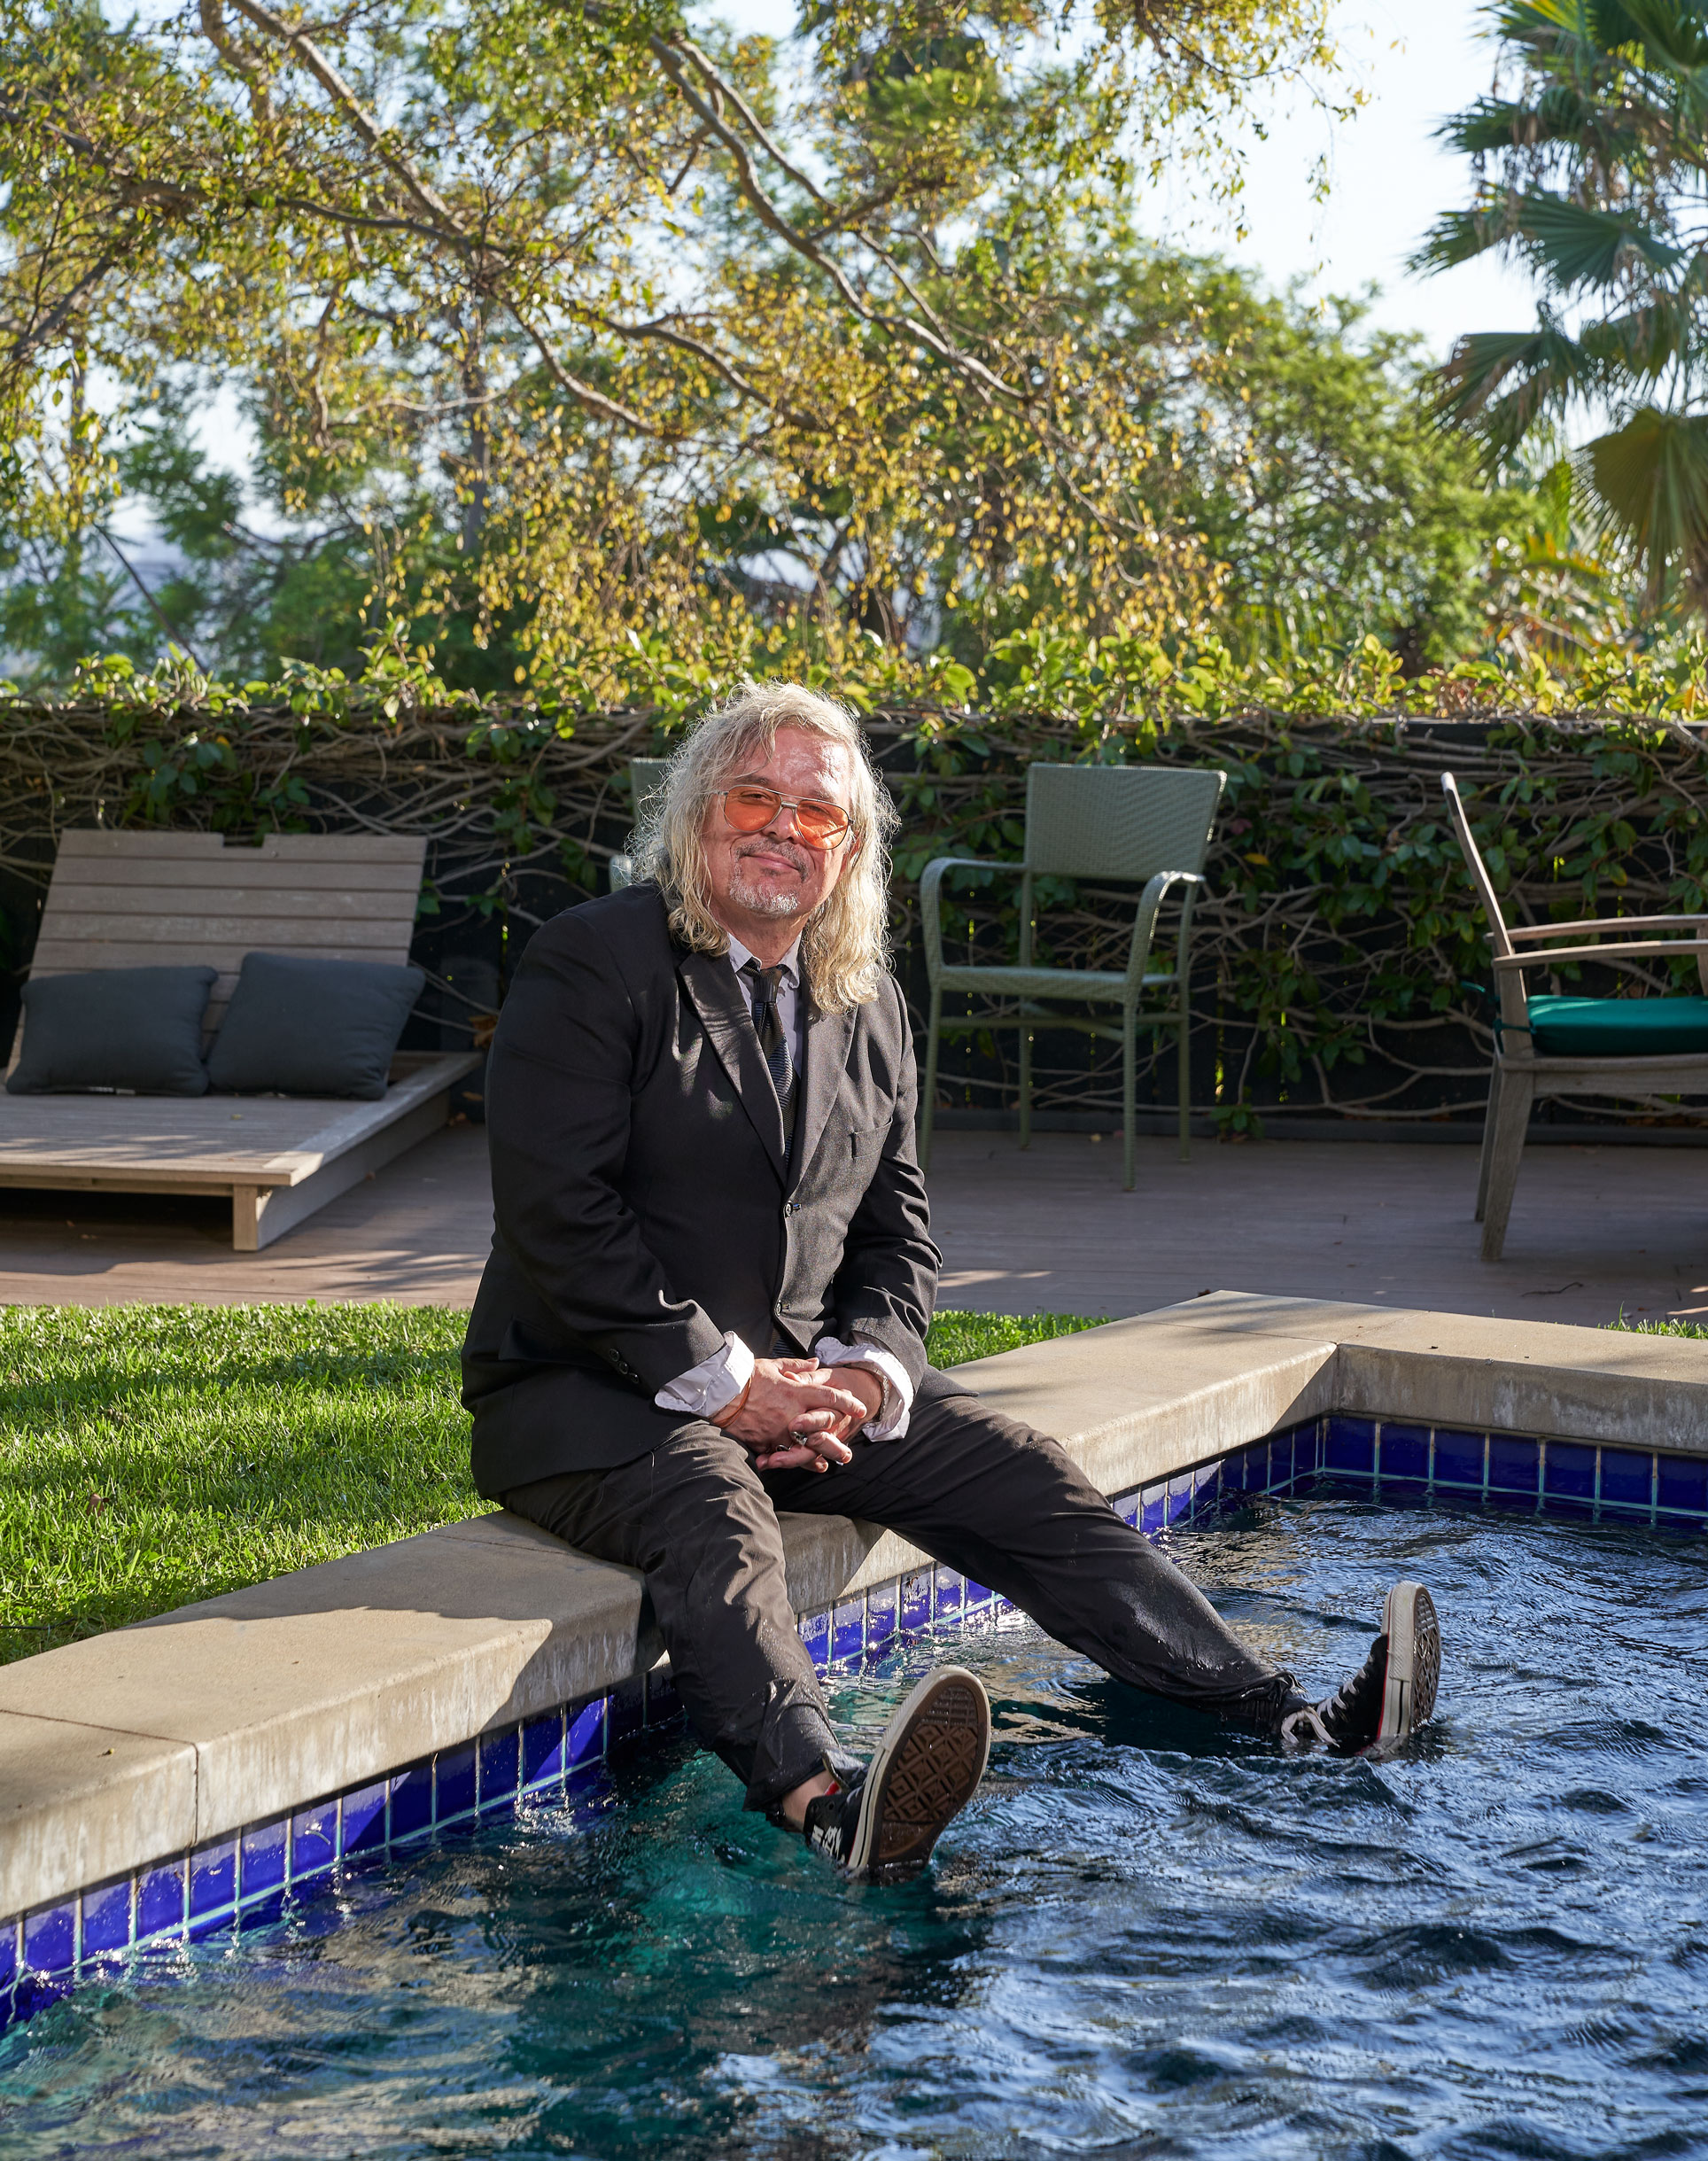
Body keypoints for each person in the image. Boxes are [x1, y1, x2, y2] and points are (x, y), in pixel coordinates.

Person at [462, 681, 1442, 1879]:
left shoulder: (865, 998)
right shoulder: (594, 962)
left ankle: (1279, 1718)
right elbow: (561, 1215)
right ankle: (824, 1805)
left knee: (1018, 1467)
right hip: (589, 1393)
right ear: (695, 815)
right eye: (752, 798)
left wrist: (869, 1369)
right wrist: (725, 1383)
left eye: (814, 814)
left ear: (852, 848)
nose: (780, 829)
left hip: (805, 1400)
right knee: (709, 1508)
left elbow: (898, 1231)